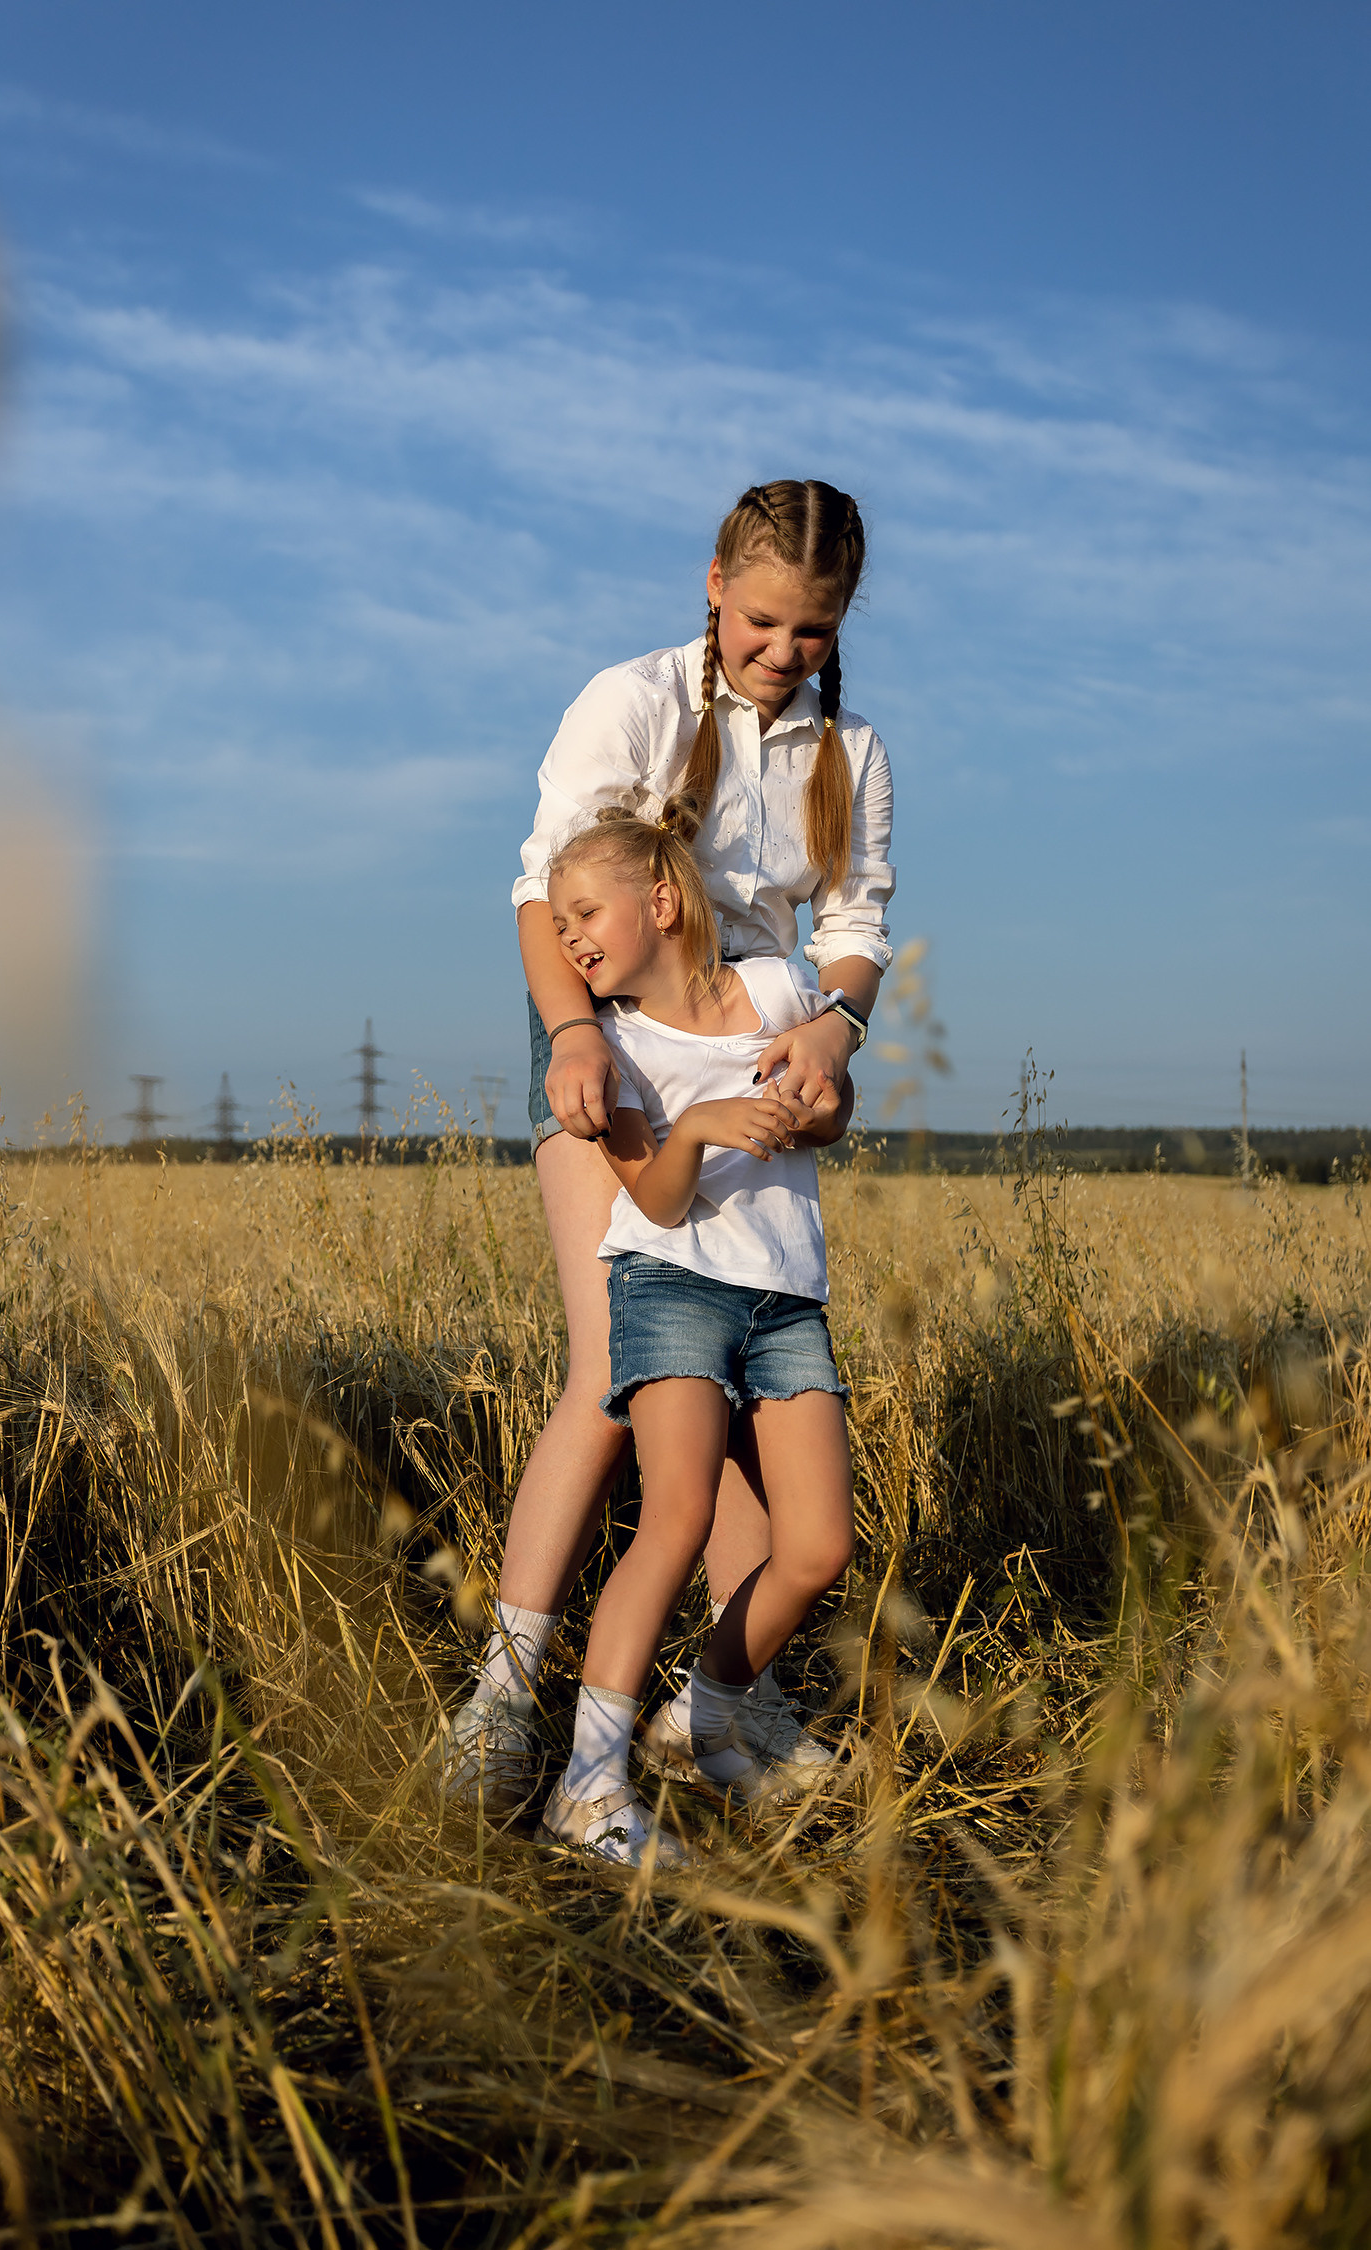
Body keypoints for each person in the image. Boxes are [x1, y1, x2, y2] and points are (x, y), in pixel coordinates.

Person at [445, 479, 893, 1805]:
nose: (780, 651)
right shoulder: (630, 699)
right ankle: (507, 1696)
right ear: (713, 582)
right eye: (761, 620)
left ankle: (718, 1713)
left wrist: (832, 1038)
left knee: (747, 1365)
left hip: (755, 1031)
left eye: (811, 633)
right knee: (615, 1364)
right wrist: (573, 1034)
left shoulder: (848, 752)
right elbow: (542, 890)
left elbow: (854, 928)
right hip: (614, 1036)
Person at [536, 797, 857, 1864]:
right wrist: (709, 1125)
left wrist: (814, 1100)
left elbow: (838, 1108)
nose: (570, 938)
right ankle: (586, 1788)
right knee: (673, 1520)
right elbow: (658, 1199)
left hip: (785, 1295)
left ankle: (707, 1714)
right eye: (562, 922)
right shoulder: (611, 1053)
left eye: (586, 912)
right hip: (669, 1283)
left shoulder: (774, 989)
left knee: (817, 1548)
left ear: (663, 900)